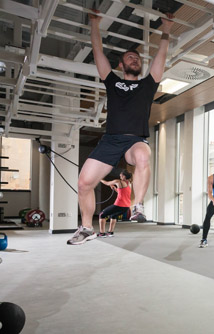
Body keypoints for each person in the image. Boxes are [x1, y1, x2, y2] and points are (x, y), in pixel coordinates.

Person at [67, 10, 173, 245]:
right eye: (129, 58)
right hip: (110, 140)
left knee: (143, 157)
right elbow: (98, 53)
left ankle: (138, 206)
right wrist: (95, 25)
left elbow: (161, 57)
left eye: (137, 58)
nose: (134, 60)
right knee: (84, 183)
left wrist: (166, 29)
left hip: (135, 140)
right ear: (121, 64)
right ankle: (86, 227)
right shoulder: (113, 82)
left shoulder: (148, 84)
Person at [97, 170, 132, 237]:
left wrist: (99, 179)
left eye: (121, 175)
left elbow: (107, 183)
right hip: (126, 207)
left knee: (102, 214)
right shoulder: (129, 183)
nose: (120, 176)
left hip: (119, 205)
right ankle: (110, 232)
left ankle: (102, 233)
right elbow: (122, 193)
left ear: (124, 176)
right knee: (113, 216)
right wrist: (115, 188)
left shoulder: (119, 181)